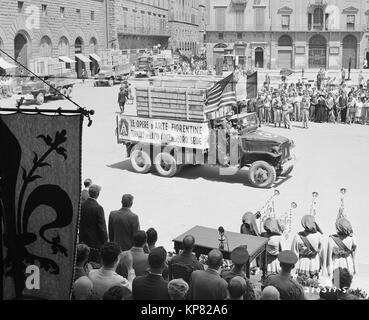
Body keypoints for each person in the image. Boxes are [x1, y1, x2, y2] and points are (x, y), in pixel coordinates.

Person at [79, 184, 108, 264]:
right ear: (98, 194)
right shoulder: (98, 208)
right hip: (94, 245)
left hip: (82, 241)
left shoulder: (81, 205)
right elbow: (102, 228)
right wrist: (105, 241)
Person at [326, 218, 357, 287]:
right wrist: (355, 268)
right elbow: (354, 254)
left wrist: (329, 270)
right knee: (347, 284)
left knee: (336, 284)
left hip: (336, 262)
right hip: (348, 262)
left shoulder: (331, 239)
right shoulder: (352, 238)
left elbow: (329, 256)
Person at [291, 215, 324, 279]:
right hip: (314, 263)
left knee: (302, 283)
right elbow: (321, 253)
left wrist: (294, 267)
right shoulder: (319, 236)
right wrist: (323, 266)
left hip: (303, 263)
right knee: (313, 284)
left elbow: (294, 252)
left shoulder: (297, 236)